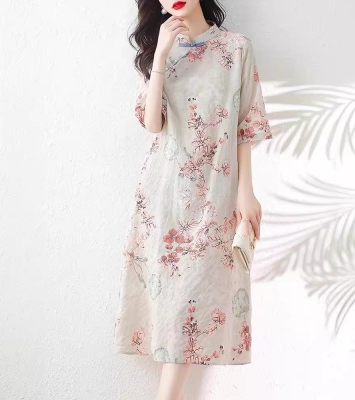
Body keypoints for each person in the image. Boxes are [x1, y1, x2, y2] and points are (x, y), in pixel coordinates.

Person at [114, 1, 273, 399]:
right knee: (174, 310)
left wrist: (246, 191)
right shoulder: (161, 51)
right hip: (165, 199)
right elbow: (153, 124)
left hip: (217, 198)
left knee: (193, 306)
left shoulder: (236, 48)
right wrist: (160, 57)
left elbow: (245, 126)